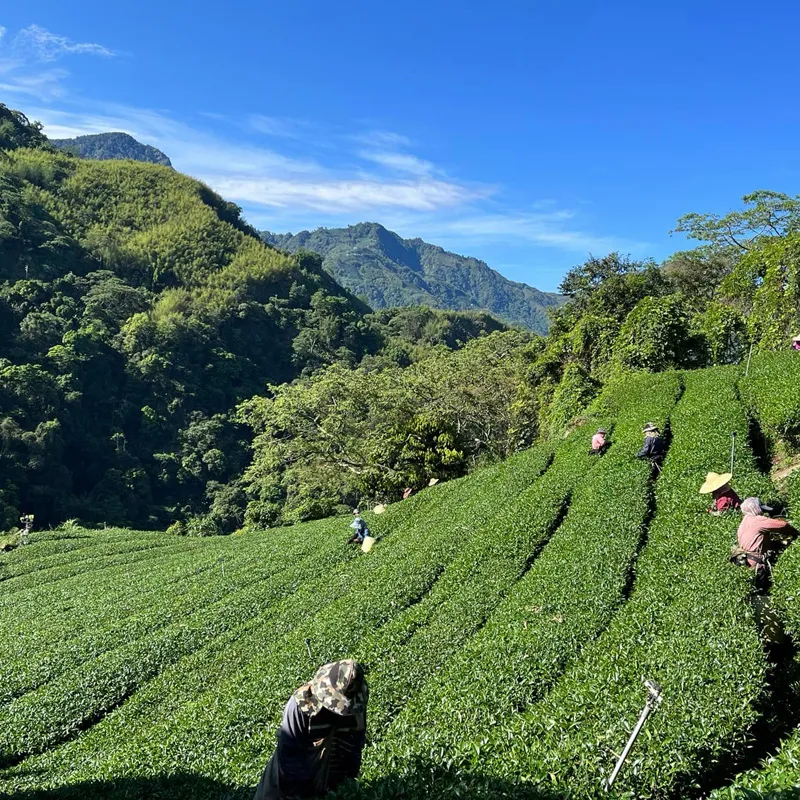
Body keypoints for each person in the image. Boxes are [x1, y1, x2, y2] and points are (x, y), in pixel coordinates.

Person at [253, 660, 368, 800]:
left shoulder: (356, 704)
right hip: (290, 781)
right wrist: (304, 794)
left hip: (333, 770)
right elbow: (289, 758)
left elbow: (355, 746)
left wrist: (348, 782)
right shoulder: (300, 706)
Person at [733, 497, 797, 588]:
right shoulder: (757, 520)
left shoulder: (744, 521)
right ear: (754, 508)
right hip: (757, 563)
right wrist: (795, 532)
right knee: (764, 587)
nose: (763, 512)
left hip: (748, 559)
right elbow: (783, 525)